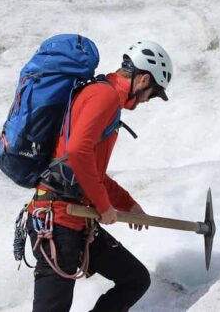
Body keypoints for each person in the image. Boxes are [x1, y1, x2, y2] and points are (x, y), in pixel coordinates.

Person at [26, 40, 173, 312]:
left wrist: (126, 204)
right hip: (58, 221)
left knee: (135, 280)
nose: (146, 101)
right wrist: (104, 206)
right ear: (142, 79)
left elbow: (90, 170)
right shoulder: (104, 97)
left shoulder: (105, 98)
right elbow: (77, 152)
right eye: (151, 94)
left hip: (77, 222)